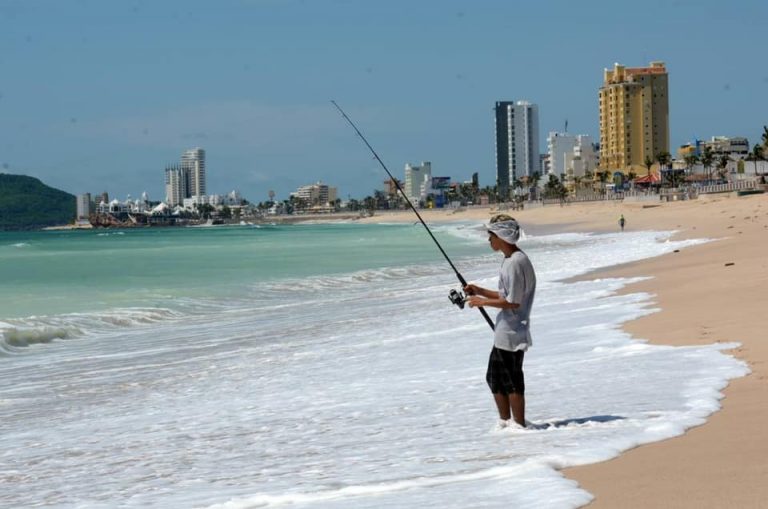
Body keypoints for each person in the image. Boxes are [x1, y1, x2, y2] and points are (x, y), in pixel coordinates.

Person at [463, 214, 536, 428]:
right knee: (495, 379)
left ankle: (519, 426)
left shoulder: (516, 262)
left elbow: (513, 302)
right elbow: (506, 294)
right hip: (505, 331)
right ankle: (506, 424)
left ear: (501, 236)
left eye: (491, 236)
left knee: (512, 382)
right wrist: (479, 291)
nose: (489, 241)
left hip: (512, 332)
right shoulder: (511, 260)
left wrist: (481, 302)